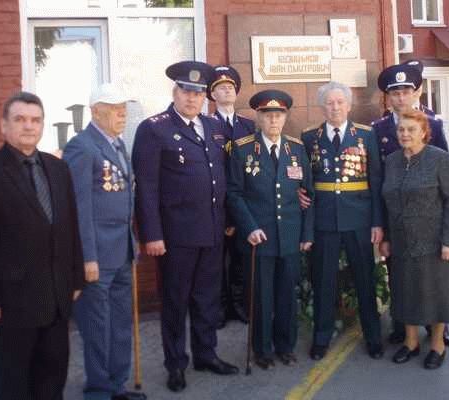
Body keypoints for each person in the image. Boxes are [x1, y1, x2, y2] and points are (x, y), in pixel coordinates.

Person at [0, 91, 84, 399]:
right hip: (12, 303)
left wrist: (76, 277)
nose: (29, 126)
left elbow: (70, 228)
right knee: (16, 384)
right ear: (4, 126)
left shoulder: (58, 169)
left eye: (35, 120)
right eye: (20, 119)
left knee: (53, 378)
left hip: (56, 298)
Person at [132, 61, 238, 392]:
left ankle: (206, 355)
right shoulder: (154, 129)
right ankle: (176, 364)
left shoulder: (212, 126)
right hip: (175, 236)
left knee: (207, 299)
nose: (191, 98)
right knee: (176, 301)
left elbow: (222, 177)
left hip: (212, 230)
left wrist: (229, 221)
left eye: (197, 92)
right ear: (174, 92)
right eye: (185, 91)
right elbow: (146, 187)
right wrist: (152, 234)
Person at [63, 84, 145, 400]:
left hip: (122, 252)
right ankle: (98, 391)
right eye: (114, 107)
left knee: (120, 325)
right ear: (96, 111)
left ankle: (117, 385)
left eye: (123, 105)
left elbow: (124, 200)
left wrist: (132, 242)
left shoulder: (118, 144)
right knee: (97, 328)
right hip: (96, 257)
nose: (122, 112)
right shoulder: (82, 147)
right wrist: (87, 257)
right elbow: (79, 207)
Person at [226, 89, 314, 369]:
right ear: (258, 118)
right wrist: (249, 228)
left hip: (289, 236)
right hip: (258, 238)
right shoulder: (242, 149)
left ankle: (285, 346)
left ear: (285, 117)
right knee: (261, 297)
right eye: (267, 115)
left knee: (287, 295)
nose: (273, 120)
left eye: (278, 115)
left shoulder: (296, 149)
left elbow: (308, 195)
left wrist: (307, 234)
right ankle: (262, 350)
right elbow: (233, 194)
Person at [372, 63, 449, 348]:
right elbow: (380, 185)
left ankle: (438, 333)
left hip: (429, 223)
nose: (400, 97)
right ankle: (403, 331)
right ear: (388, 97)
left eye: (406, 91)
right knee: (402, 279)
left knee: (434, 281)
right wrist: (383, 229)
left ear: (416, 91)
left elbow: (446, 184)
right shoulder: (379, 129)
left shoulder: (433, 125)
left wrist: (448, 237)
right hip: (398, 221)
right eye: (394, 93)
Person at [301, 81, 384, 361]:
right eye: (329, 103)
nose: (335, 107)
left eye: (340, 102)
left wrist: (376, 222)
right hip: (324, 220)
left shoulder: (366, 135)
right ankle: (322, 337)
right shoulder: (309, 137)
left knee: (365, 280)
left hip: (359, 219)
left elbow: (375, 180)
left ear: (349, 106)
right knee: (323, 281)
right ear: (322, 107)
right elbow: (306, 182)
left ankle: (373, 336)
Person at [380, 110, 449, 369]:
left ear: (424, 132)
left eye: (411, 130)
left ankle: (438, 344)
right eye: (401, 129)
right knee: (405, 291)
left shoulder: (438, 158)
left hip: (433, 241)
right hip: (402, 241)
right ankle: (411, 341)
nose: (405, 134)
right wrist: (387, 238)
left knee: (435, 292)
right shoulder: (391, 161)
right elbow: (387, 202)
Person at [208, 65, 255, 326]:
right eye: (220, 87)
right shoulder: (205, 125)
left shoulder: (248, 126)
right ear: (212, 95)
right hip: (215, 204)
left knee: (240, 258)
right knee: (216, 261)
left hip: (241, 202)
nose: (226, 90)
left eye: (230, 87)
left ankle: (239, 305)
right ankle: (220, 309)